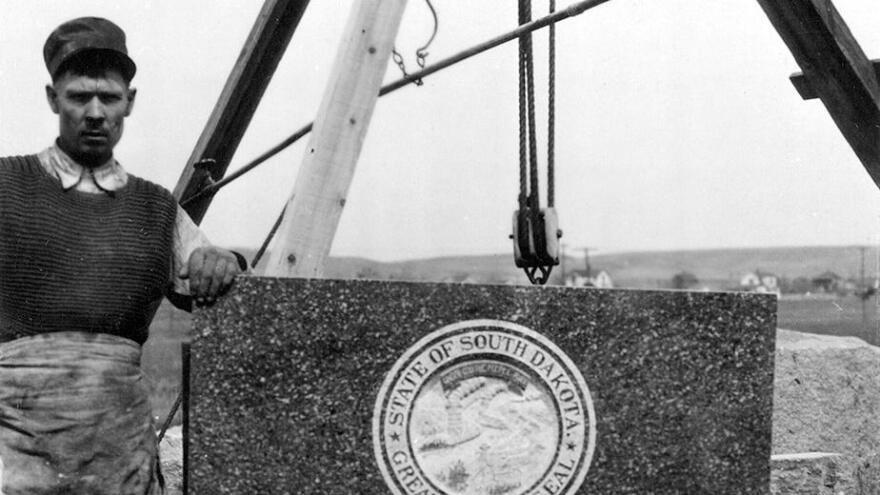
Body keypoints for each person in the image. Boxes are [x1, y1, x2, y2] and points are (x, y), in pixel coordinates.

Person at [0, 17, 244, 494]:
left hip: (119, 452)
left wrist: (226, 261)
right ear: (53, 99)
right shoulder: (6, 186)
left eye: (109, 98)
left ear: (129, 103)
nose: (94, 112)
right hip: (12, 446)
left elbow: (207, 276)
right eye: (78, 97)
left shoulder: (156, 209)